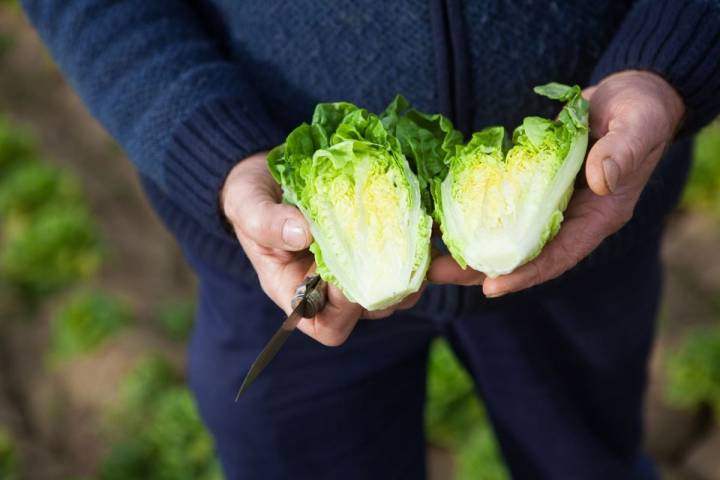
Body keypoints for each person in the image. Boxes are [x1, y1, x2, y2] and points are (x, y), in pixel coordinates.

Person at [21, 1, 720, 478]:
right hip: (287, 262)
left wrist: (670, 61)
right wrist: (209, 144)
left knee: (585, 456)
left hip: (590, 222)